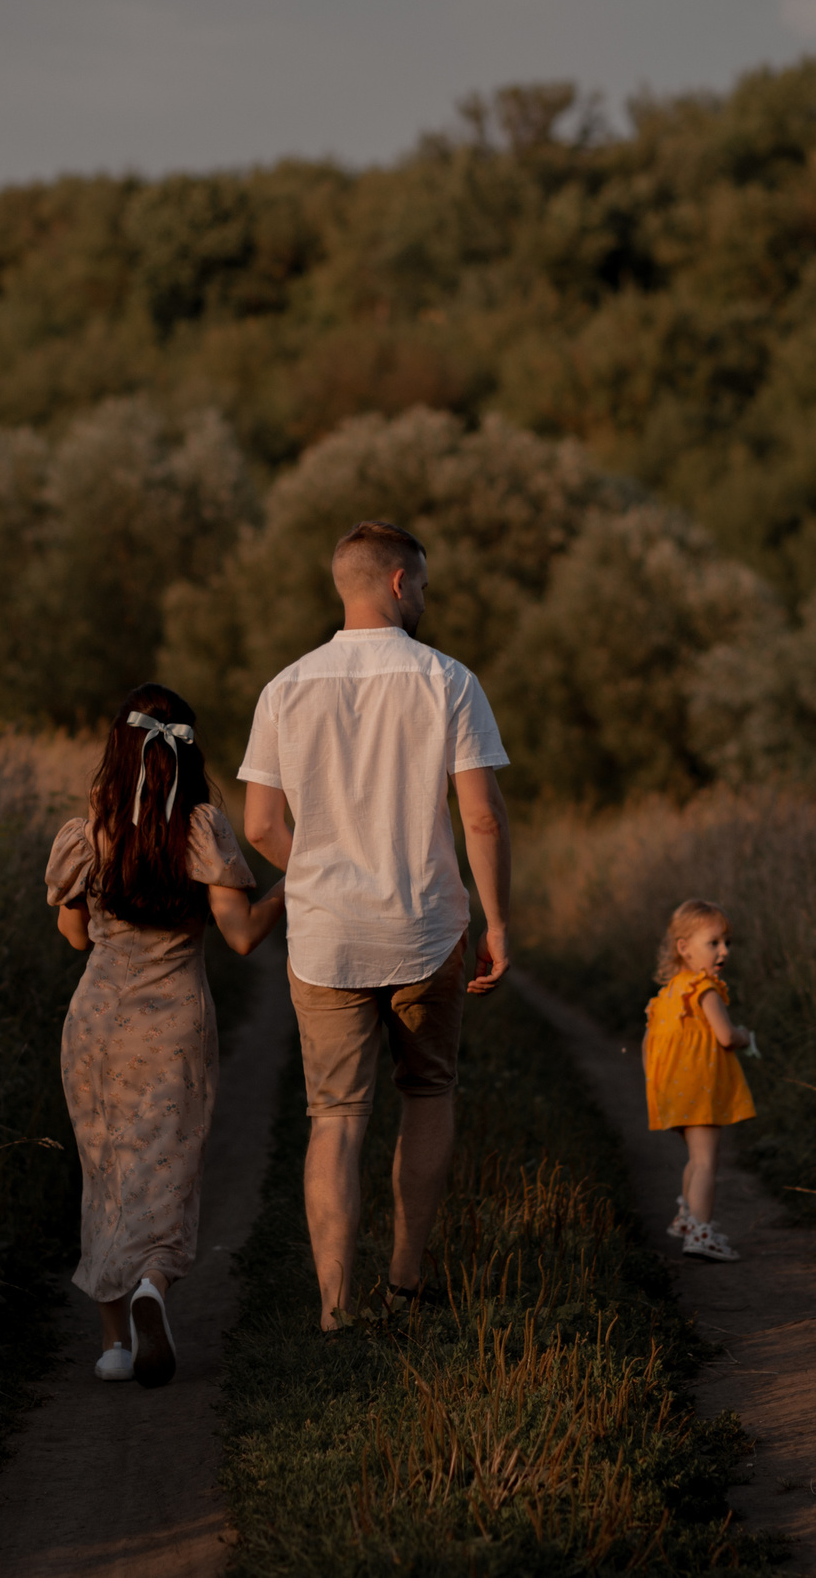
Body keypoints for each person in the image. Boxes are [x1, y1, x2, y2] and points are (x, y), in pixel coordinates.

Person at [239, 520, 511, 1329]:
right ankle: (404, 1284)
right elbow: (483, 819)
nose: (425, 598)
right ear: (398, 583)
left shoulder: (285, 687)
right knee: (427, 1092)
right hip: (427, 927)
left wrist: (317, 868)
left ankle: (332, 1310)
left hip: (325, 938)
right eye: (422, 585)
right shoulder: (449, 682)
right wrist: (497, 919)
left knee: (335, 1117)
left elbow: (258, 825)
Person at [47, 684, 287, 1386]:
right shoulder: (202, 829)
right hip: (175, 1021)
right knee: (167, 1166)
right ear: (187, 752)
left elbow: (71, 935)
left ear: (118, 753)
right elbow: (241, 937)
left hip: (96, 1022)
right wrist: (290, 884)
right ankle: (155, 1280)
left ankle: (114, 1344)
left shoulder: (91, 831)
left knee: (106, 1172)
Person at [643, 898, 756, 1263]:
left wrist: (657, 1085)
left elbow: (648, 1045)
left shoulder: (667, 994)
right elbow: (725, 1036)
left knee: (695, 1159)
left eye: (727, 942)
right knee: (707, 1161)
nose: (724, 951)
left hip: (673, 1091)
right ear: (684, 948)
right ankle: (701, 1232)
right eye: (714, 943)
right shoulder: (704, 989)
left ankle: (687, 1219)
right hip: (701, 1090)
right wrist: (744, 1035)